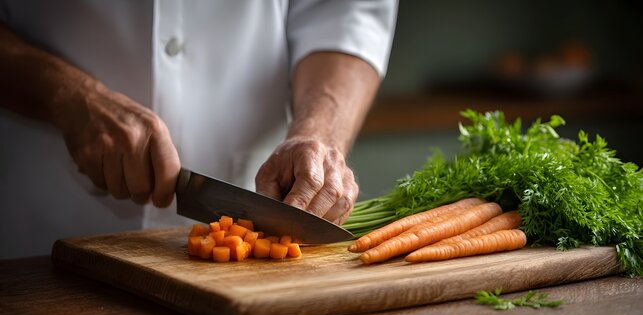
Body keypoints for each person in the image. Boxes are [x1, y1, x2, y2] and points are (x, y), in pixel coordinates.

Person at [0, 0, 397, 259]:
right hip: (39, 229)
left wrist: (319, 132)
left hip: (248, 210)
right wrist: (69, 96)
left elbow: (347, 14)